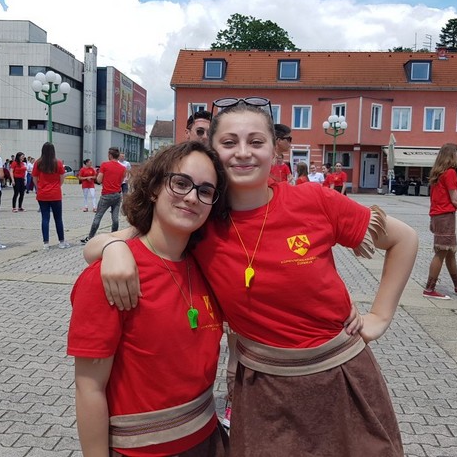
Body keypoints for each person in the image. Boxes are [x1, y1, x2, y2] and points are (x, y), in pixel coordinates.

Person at [84, 100, 417, 456]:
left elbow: (404, 239)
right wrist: (112, 249)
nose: (243, 152)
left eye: (256, 142)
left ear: (275, 150)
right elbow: (110, 243)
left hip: (340, 375)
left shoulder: (313, 200)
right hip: (263, 387)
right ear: (214, 152)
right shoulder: (201, 217)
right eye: (229, 142)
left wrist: (379, 316)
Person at [69, 141, 229, 457]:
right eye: (180, 183)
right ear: (154, 188)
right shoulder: (111, 276)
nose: (192, 197)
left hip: (208, 439)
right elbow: (89, 388)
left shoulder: (207, 266)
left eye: (205, 191)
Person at [423, 143, 457, 299]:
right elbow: (454, 199)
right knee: (441, 252)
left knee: (449, 252)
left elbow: (434, 199)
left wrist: (432, 218)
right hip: (445, 216)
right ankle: (429, 289)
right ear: (451, 155)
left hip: (438, 215)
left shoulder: (437, 173)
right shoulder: (450, 173)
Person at [81, 147, 126, 243]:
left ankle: (90, 237)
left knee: (98, 216)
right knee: (115, 218)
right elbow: (121, 181)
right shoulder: (123, 168)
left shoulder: (105, 165)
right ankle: (114, 237)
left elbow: (99, 180)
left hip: (106, 195)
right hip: (117, 195)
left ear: (110, 155)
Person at [32, 142, 69, 250]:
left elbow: (34, 178)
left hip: (42, 194)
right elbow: (62, 178)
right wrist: (57, 186)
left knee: (45, 218)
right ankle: (61, 242)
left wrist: (39, 187)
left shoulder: (38, 163)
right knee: (58, 218)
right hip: (55, 194)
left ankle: (46, 243)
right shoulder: (58, 162)